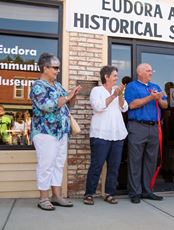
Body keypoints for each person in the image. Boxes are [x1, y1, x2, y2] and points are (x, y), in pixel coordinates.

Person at [30, 53, 82, 211]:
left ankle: (57, 196)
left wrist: (72, 97)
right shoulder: (38, 86)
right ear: (45, 68)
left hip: (61, 132)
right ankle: (43, 198)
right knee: (46, 165)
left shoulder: (58, 86)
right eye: (55, 67)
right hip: (45, 132)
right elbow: (48, 106)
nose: (58, 70)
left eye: (59, 67)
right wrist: (67, 98)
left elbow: (66, 104)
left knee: (59, 164)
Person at [83, 66, 128, 205]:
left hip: (117, 135)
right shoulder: (96, 91)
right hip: (100, 135)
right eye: (114, 75)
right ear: (106, 77)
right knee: (96, 165)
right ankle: (89, 194)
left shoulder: (117, 92)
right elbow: (98, 107)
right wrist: (114, 95)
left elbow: (124, 108)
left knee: (114, 167)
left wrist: (119, 95)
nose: (117, 78)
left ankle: (109, 193)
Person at [124, 63, 167, 204]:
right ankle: (135, 192)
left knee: (151, 161)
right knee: (135, 160)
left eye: (151, 70)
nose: (151, 73)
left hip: (154, 128)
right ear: (140, 72)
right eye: (148, 71)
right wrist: (150, 98)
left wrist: (159, 98)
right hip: (137, 127)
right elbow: (131, 105)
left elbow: (165, 105)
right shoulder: (132, 86)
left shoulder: (155, 86)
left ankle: (147, 190)